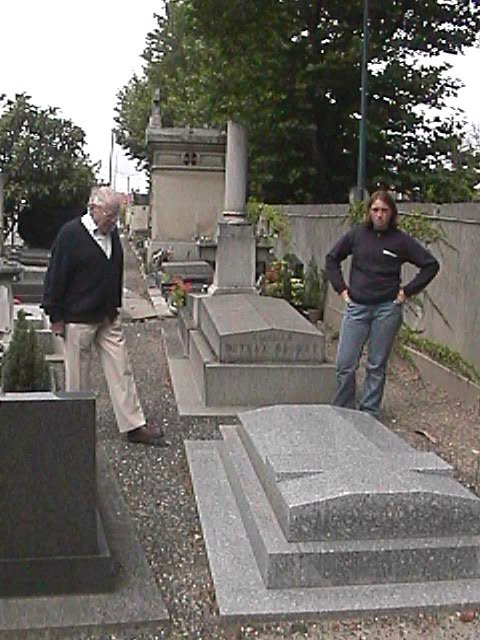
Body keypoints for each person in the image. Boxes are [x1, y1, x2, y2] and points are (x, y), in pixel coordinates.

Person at [43, 186, 166, 446]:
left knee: (122, 369)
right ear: (93, 208)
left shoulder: (112, 234)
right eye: (110, 215)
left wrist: (115, 306)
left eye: (116, 215)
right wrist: (56, 316)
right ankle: (75, 429)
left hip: (108, 316)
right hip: (78, 318)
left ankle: (134, 425)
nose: (113, 221)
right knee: (77, 378)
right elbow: (55, 276)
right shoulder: (70, 235)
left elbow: (114, 271)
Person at [325, 190, 439, 417]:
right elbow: (332, 258)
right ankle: (343, 411)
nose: (379, 215)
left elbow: (430, 265)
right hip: (357, 308)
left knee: (376, 365)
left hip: (386, 310)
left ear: (391, 213)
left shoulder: (401, 241)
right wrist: (342, 290)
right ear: (369, 212)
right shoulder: (357, 235)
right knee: (345, 364)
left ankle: (369, 413)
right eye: (375, 210)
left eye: (384, 210)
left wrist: (406, 292)